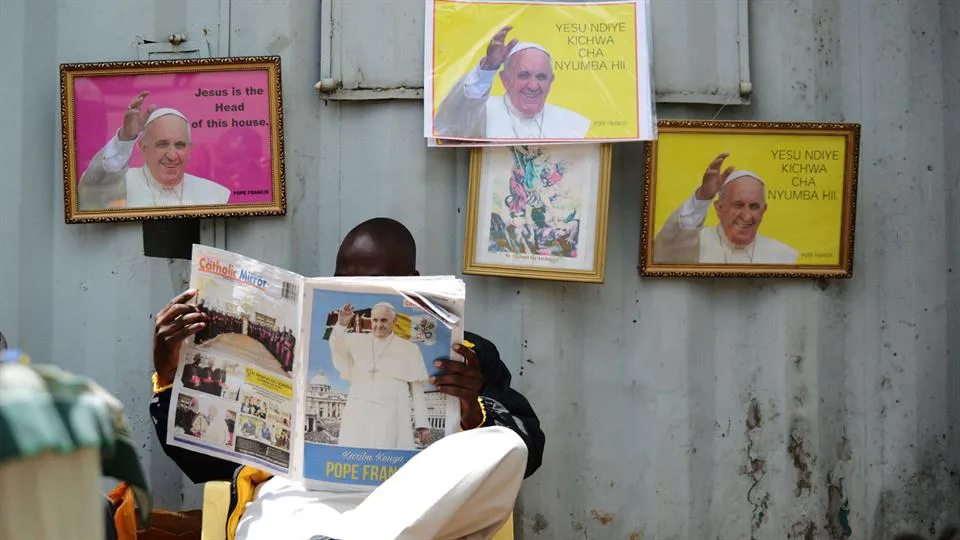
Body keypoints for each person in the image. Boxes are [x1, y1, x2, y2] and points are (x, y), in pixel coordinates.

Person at [149, 217, 544, 540]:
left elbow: (529, 451)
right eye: (343, 280)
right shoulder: (317, 343)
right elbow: (203, 464)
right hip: (306, 499)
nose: (374, 314)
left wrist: (472, 409)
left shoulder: (465, 353)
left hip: (413, 499)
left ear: (413, 280)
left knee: (504, 445)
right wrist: (168, 373)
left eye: (372, 284)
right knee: (276, 521)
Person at [78, 91, 230, 210]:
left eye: (180, 145)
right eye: (162, 144)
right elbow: (92, 187)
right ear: (143, 148)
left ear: (189, 149)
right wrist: (126, 137)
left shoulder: (215, 194)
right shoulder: (121, 184)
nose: (172, 155)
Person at [435, 25, 590, 140]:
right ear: (504, 79)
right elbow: (453, 122)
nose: (533, 86)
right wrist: (489, 67)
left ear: (551, 81)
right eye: (524, 75)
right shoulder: (481, 112)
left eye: (541, 77)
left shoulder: (572, 123)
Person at [653, 152, 800, 265]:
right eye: (738, 205)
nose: (747, 216)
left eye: (754, 207)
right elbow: (664, 252)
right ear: (718, 208)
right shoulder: (694, 243)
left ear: (764, 210)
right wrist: (703, 197)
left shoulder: (785, 255)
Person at [329, 301, 431, 449]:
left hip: (392, 412)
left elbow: (417, 388)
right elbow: (336, 347)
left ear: (394, 321)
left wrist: (422, 423)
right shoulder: (357, 340)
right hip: (359, 408)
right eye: (375, 320)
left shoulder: (410, 349)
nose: (378, 325)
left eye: (384, 320)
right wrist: (341, 324)